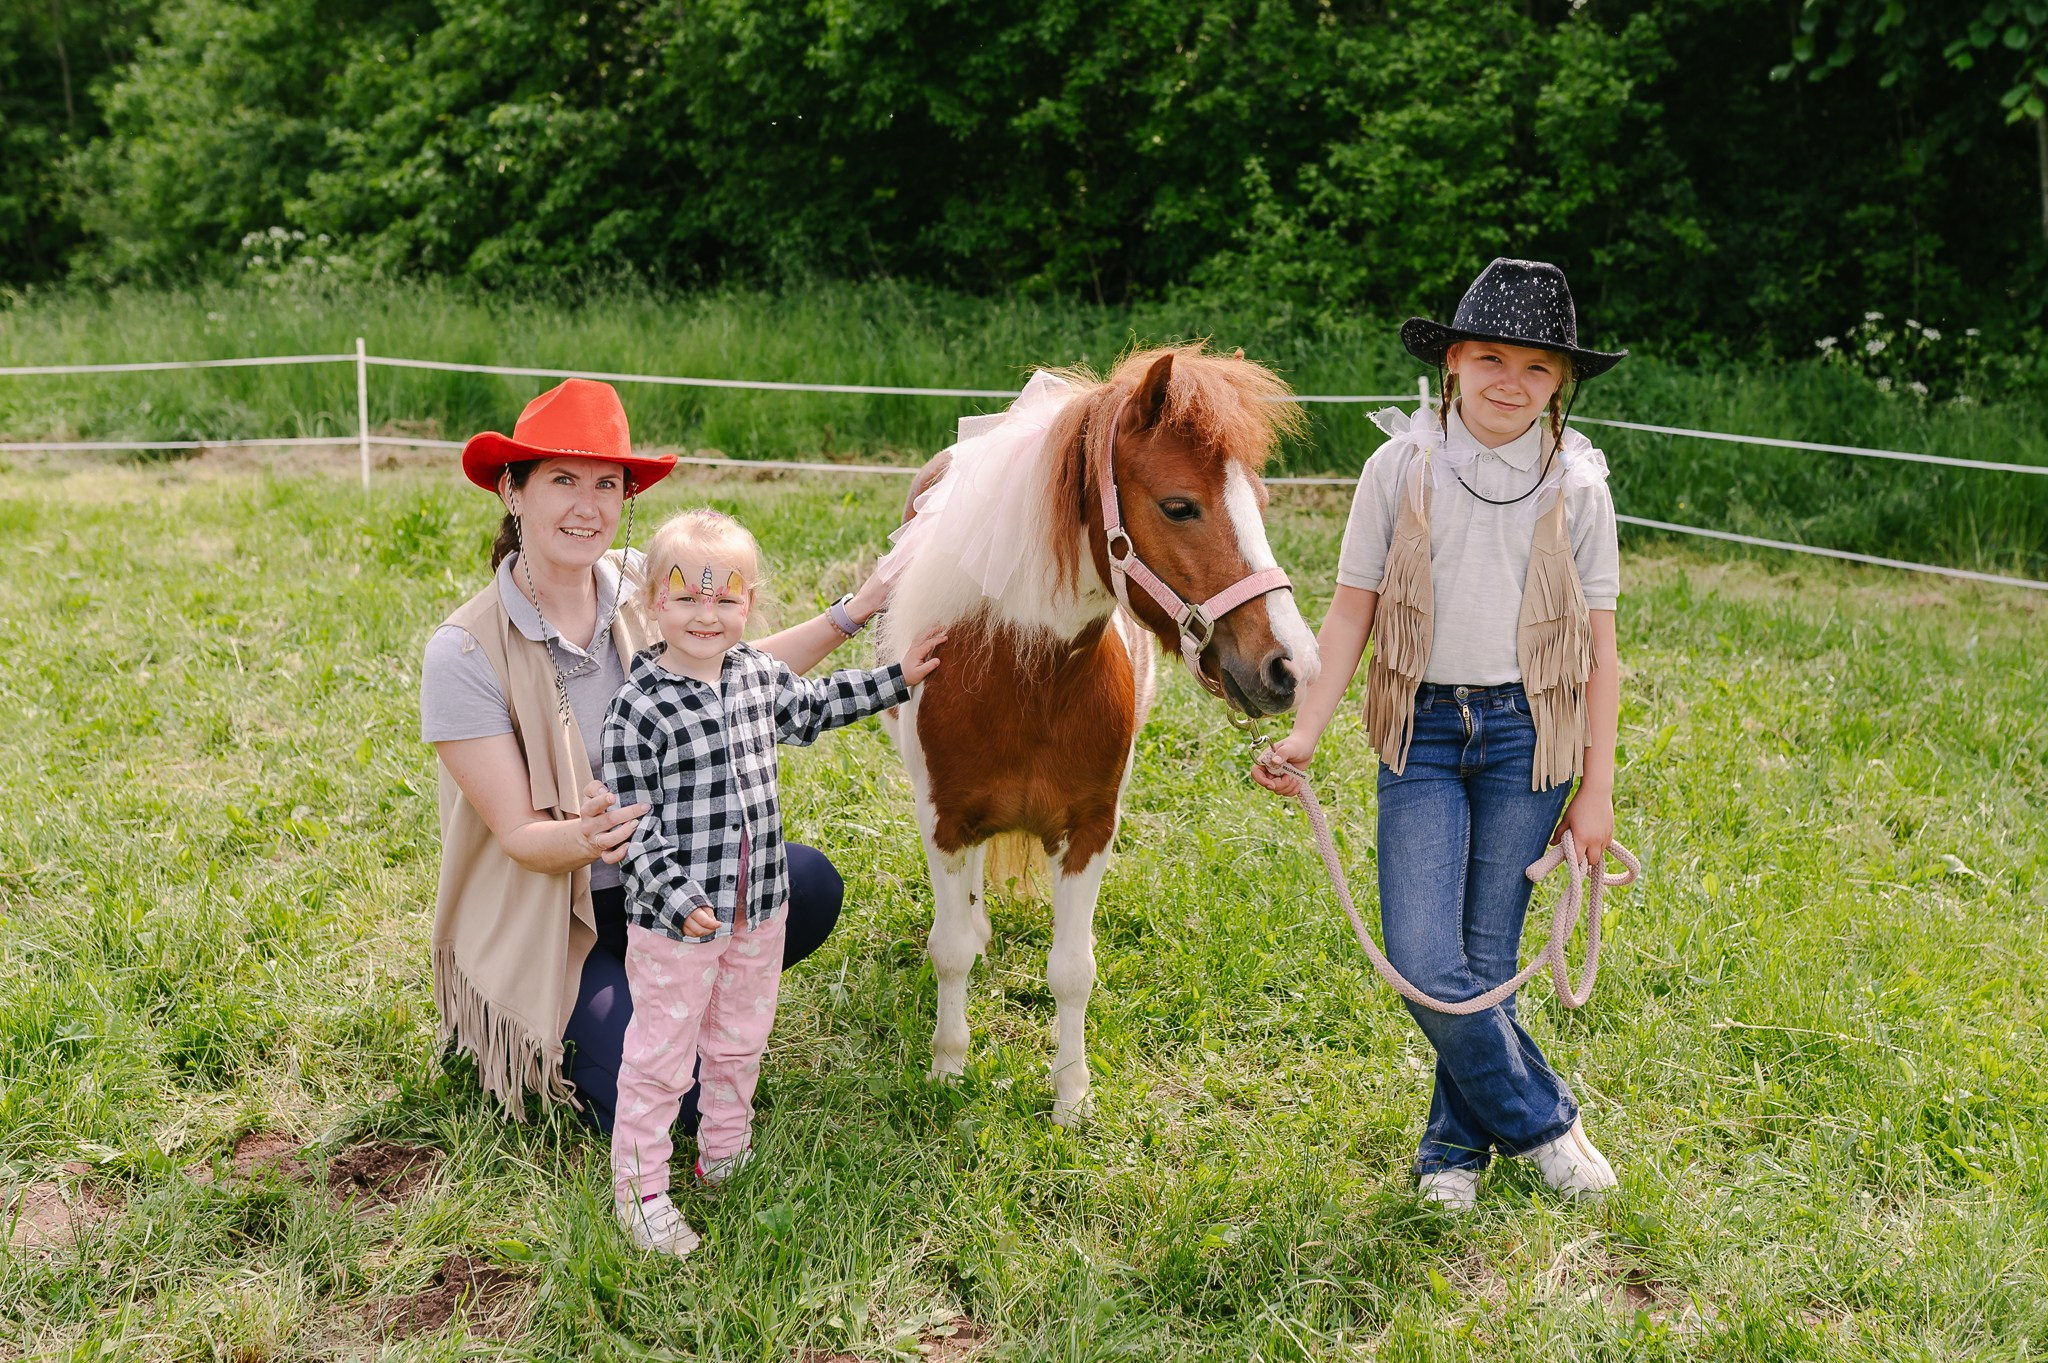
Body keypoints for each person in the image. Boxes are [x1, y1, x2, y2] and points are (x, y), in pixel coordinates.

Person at [420, 377, 895, 1134]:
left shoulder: (646, 585)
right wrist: (595, 832)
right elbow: (517, 835)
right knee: (673, 1093)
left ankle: (690, 998)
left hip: (666, 886)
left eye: (607, 484)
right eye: (563, 480)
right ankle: (647, 1022)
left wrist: (851, 612)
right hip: (559, 916)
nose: (588, 506)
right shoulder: (464, 652)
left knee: (806, 882)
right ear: (513, 490)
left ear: (626, 497)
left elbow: (738, 679)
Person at [1253, 258, 1628, 1211]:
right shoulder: (1401, 468)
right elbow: (1347, 618)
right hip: (1418, 728)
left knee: (1485, 960)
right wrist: (1307, 731)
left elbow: (1601, 655)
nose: (1512, 381)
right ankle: (1545, 1120)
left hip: (1528, 736)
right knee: (1425, 958)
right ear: (1453, 362)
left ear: (1562, 385)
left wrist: (1595, 790)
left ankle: (1451, 1154)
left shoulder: (1577, 487)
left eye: (1539, 368)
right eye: (1491, 357)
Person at [599, 508, 944, 1257]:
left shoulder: (757, 674)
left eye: (726, 599)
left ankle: (724, 1151)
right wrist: (680, 899)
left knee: (738, 1041)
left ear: (749, 603)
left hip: (759, 909)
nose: (706, 614)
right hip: (676, 923)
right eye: (688, 596)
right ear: (654, 601)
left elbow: (816, 707)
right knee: (661, 1054)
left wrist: (897, 678)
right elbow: (631, 823)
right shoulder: (639, 704)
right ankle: (639, 1190)